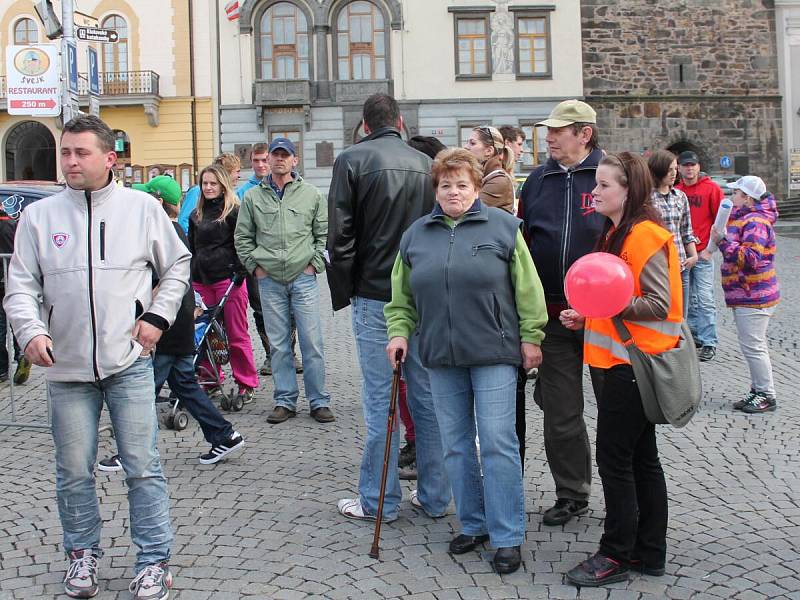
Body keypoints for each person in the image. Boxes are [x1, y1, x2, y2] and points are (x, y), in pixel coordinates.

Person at [4, 115, 190, 599]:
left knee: (142, 466)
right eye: (65, 152)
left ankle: (154, 560)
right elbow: (20, 286)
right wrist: (29, 331)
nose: (70, 161)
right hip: (64, 369)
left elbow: (177, 267)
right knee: (72, 470)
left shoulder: (142, 209)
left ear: (109, 159)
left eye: (80, 153)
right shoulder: (39, 217)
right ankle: (81, 554)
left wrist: (156, 317)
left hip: (128, 362)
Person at [385, 147, 547, 574]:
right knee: (456, 447)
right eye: (445, 185)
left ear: (476, 188)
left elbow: (528, 289)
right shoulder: (416, 235)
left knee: (497, 443)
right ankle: (473, 524)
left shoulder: (505, 228)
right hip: (440, 355)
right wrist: (399, 332)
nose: (453, 192)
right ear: (435, 189)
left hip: (493, 351)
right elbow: (401, 297)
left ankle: (507, 535)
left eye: (461, 184)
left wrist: (532, 336)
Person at [327, 93, 452, 522]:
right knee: (426, 398)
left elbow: (339, 237)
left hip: (376, 294)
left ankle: (378, 500)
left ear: (364, 124)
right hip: (420, 294)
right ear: (399, 121)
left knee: (382, 399)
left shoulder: (351, 160)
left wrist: (346, 291)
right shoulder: (425, 164)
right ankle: (435, 497)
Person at [562, 152, 680, 587]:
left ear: (628, 190)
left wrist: (604, 306)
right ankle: (649, 553)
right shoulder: (616, 233)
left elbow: (657, 304)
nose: (595, 192)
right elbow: (614, 299)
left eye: (604, 185)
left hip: (634, 365)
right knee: (642, 459)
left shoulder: (645, 236)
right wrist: (587, 314)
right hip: (624, 362)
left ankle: (616, 554)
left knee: (616, 460)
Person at [98, 176, 245, 472]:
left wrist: (145, 313)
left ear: (158, 201)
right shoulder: (166, 228)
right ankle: (224, 435)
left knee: (142, 389)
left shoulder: (165, 229)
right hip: (175, 322)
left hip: (167, 324)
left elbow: (169, 280)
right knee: (185, 384)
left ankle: (131, 452)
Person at [519, 99, 606, 526]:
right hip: (552, 318)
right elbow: (522, 247)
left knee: (616, 410)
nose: (549, 137)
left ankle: (625, 492)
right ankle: (572, 493)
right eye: (548, 131)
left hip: (606, 319)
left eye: (558, 131)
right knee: (560, 412)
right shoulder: (537, 180)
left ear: (584, 134)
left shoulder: (611, 176)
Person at [235, 138, 333, 424]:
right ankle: (285, 400)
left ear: (294, 160)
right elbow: (242, 237)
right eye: (274, 155)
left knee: (311, 342)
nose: (278, 160)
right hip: (269, 281)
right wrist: (255, 268)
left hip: (303, 279)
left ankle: (319, 401)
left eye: (284, 155)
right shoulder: (253, 198)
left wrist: (314, 265)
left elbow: (323, 234)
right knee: (278, 345)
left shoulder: (312, 195)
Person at [189, 164, 259, 405]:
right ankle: (209, 380)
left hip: (228, 279)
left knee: (236, 333)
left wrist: (241, 269)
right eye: (204, 183)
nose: (208, 187)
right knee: (206, 335)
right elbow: (192, 248)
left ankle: (246, 383)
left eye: (213, 183)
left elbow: (242, 243)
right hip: (201, 281)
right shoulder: (195, 215)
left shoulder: (233, 212)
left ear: (222, 185)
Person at [710, 176, 780, 413]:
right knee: (752, 345)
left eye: (736, 193)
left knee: (754, 346)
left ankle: (766, 394)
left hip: (755, 295)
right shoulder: (746, 219)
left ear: (747, 198)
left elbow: (750, 259)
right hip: (750, 295)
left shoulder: (755, 222)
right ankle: (758, 389)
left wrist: (722, 242)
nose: (731, 197)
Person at [234, 142, 294, 377]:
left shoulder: (285, 186)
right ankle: (271, 354)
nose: (260, 165)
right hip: (258, 264)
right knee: (261, 311)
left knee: (290, 310)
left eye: (263, 159)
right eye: (256, 161)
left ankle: (290, 352)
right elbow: (240, 232)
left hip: (286, 261)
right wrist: (250, 262)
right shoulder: (243, 192)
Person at [675, 150, 724, 362]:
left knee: (704, 298)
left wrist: (710, 249)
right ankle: (694, 335)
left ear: (698, 166)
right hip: (683, 255)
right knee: (689, 300)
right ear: (679, 168)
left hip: (703, 253)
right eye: (685, 165)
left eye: (692, 165)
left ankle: (709, 341)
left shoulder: (711, 189)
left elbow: (721, 221)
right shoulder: (676, 191)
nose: (689, 168)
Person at [648, 150, 698, 314]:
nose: (674, 173)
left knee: (681, 315)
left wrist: (694, 255)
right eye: (670, 169)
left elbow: (686, 230)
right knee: (660, 312)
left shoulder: (680, 196)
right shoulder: (646, 198)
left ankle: (681, 341)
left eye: (675, 169)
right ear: (658, 170)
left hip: (681, 265)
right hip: (657, 267)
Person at [178, 152, 242, 234]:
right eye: (237, 171)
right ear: (226, 172)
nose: (239, 176)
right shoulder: (197, 191)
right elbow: (184, 221)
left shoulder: (232, 199)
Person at [464, 125, 516, 213]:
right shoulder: (483, 175)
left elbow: (467, 212)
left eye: (472, 143)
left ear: (489, 151)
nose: (466, 147)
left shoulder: (499, 180)